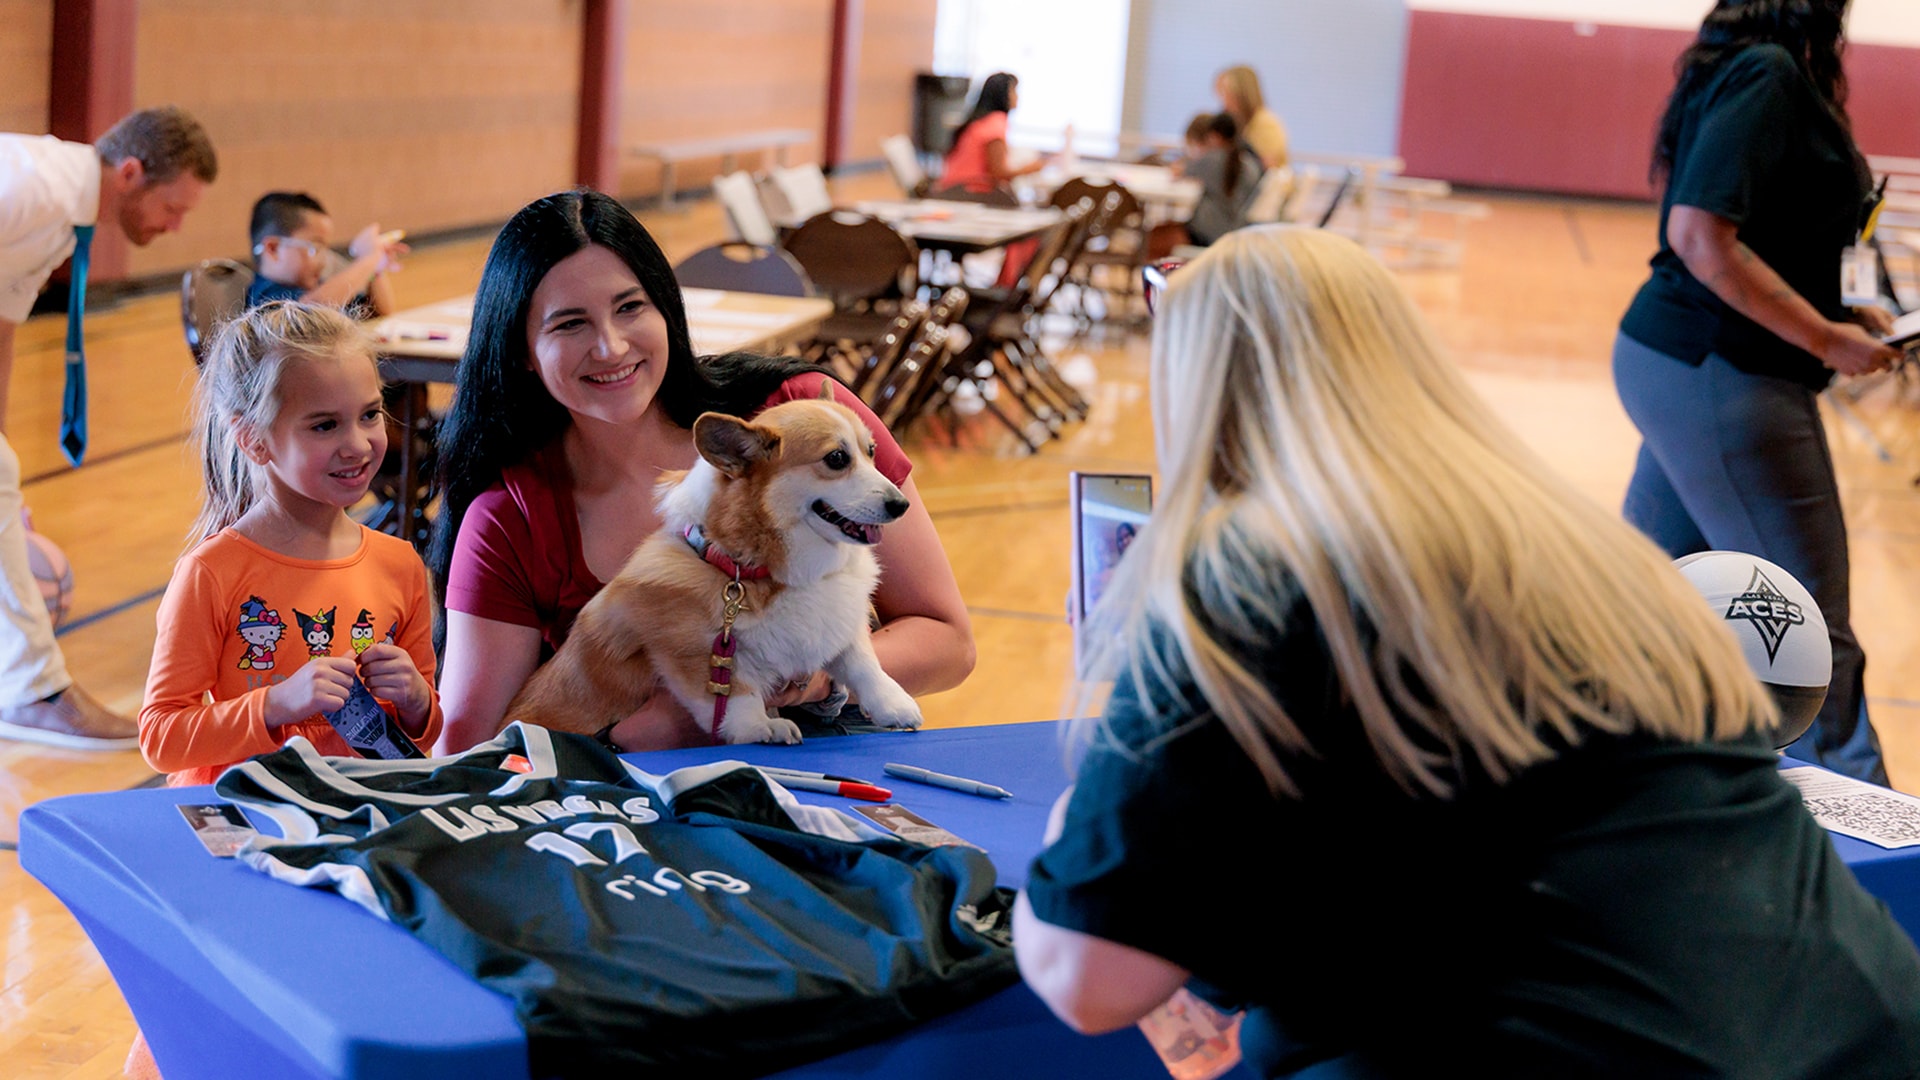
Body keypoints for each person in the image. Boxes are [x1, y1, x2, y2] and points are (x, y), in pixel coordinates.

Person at [1014, 226, 1920, 1077]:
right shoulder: (1585, 545)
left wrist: (1112, 748)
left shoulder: (1245, 579)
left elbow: (1089, 977)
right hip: (1856, 1024)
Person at [429, 190, 973, 753]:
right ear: (520, 349)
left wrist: (799, 683)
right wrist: (631, 739)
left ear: (667, 307)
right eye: (569, 324)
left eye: (630, 307)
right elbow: (466, 752)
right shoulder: (509, 516)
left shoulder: (807, 416)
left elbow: (948, 641)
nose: (610, 346)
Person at [1614, 0, 1897, 785]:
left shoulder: (1761, 67)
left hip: (1682, 366)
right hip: (1720, 370)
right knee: (1807, 625)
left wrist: (1841, 311)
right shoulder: (1767, 74)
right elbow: (1700, 234)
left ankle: (1602, 777)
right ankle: (1870, 840)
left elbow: (1766, 231)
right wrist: (1825, 338)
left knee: (1646, 596)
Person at [139, 301, 443, 787]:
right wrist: (276, 705)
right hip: (254, 813)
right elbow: (162, 736)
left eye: (369, 415)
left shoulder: (399, 563)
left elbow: (420, 736)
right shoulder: (213, 572)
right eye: (325, 425)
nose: (360, 444)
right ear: (253, 439)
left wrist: (416, 700)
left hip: (365, 807)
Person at [0, 105, 217, 749]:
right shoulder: (30, 187)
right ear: (129, 173)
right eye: (172, 208)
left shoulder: (64, 225)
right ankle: (33, 689)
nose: (175, 226)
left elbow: (4, 331)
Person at [246, 191, 408, 316]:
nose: (323, 262)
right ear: (273, 249)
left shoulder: (319, 289)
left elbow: (378, 312)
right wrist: (368, 259)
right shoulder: (264, 296)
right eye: (314, 248)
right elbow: (311, 311)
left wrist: (375, 269)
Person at [1174, 113, 1263, 249]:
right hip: (1240, 234)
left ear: (1214, 136)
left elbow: (1179, 171)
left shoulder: (1212, 160)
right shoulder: (1251, 165)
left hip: (1207, 233)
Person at [1214, 65, 1288, 171]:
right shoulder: (1241, 123)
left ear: (1241, 94)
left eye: (1227, 94)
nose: (1224, 101)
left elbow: (1268, 166)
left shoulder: (1265, 123)